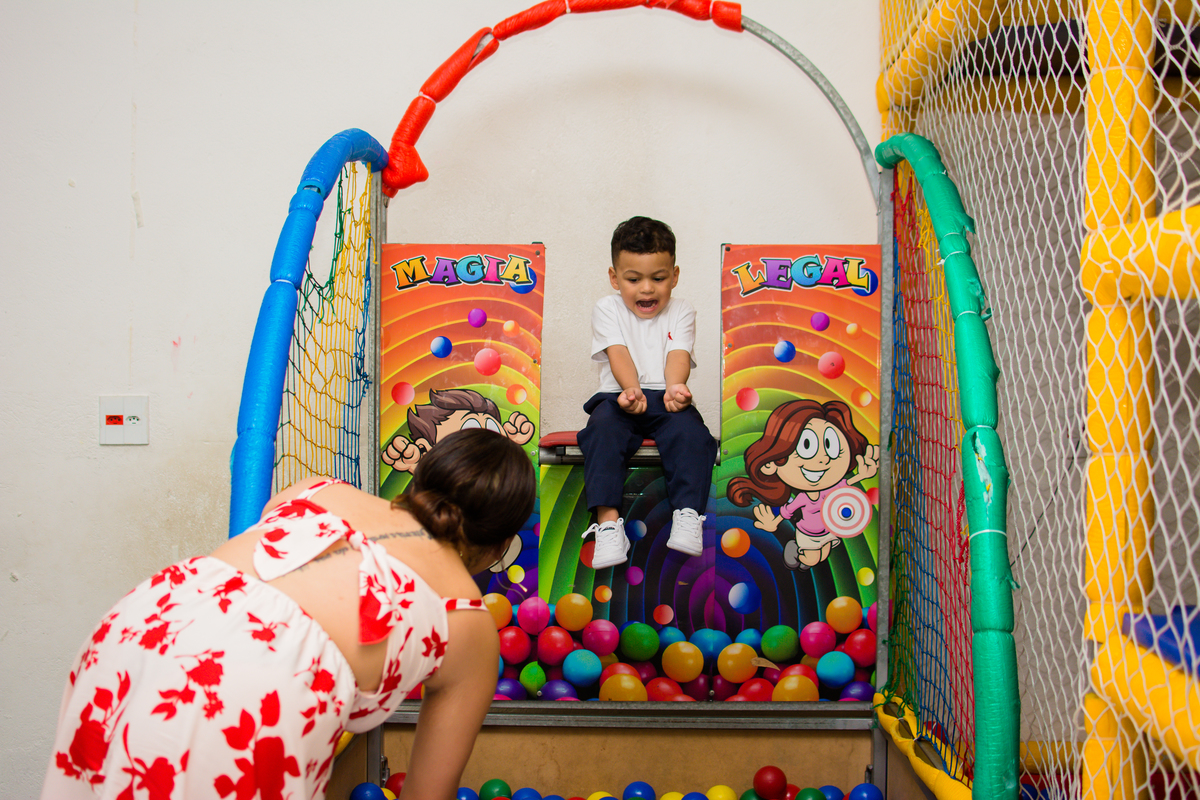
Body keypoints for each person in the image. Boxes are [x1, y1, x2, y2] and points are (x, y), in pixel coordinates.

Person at [42, 428, 536, 800]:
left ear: (420, 479)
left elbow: (255, 600)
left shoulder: (318, 489)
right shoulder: (467, 620)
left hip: (143, 622)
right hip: (253, 689)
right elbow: (428, 793)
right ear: (499, 545)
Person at [578, 216, 718, 569]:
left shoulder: (682, 310)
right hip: (619, 395)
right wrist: (630, 389)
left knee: (693, 434)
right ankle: (608, 524)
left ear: (674, 275)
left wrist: (676, 387)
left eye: (658, 278)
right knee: (602, 431)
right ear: (614, 278)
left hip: (665, 395)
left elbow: (677, 354)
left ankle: (688, 514)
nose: (647, 289)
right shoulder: (607, 308)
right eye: (633, 279)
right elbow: (618, 353)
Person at [726, 399, 879, 570]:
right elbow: (787, 511)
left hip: (828, 531)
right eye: (807, 446)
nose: (823, 458)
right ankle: (799, 554)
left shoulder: (830, 490)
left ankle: (800, 554)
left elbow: (846, 483)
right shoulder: (803, 498)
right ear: (771, 463)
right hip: (808, 535)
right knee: (813, 558)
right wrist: (773, 523)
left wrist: (863, 475)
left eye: (831, 446)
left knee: (824, 553)